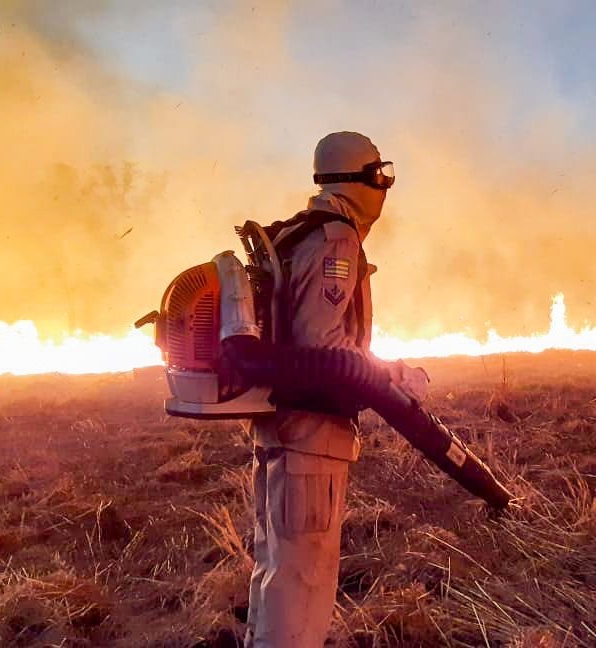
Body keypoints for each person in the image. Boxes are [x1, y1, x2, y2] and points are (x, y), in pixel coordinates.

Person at [245, 131, 426, 647]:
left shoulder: (299, 232)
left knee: (277, 568)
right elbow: (321, 346)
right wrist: (387, 373)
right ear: (358, 179)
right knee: (302, 580)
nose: (385, 186)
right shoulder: (336, 241)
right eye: (379, 175)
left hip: (281, 425)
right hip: (312, 433)